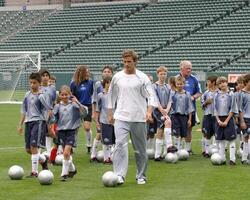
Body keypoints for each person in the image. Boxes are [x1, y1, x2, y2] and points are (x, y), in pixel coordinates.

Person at [107, 49, 157, 185]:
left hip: (139, 118)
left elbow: (151, 96)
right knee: (119, 146)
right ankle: (119, 175)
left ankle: (141, 176)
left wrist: (149, 111)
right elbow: (111, 96)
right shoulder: (117, 77)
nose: (126, 64)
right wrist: (110, 113)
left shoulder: (142, 78)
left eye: (129, 62)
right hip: (121, 117)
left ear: (135, 62)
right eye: (124, 62)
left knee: (140, 149)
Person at [49, 85, 88, 181]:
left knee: (66, 152)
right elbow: (53, 118)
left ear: (70, 94)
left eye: (66, 94)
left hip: (71, 131)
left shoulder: (74, 105)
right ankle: (72, 169)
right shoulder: (58, 106)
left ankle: (64, 174)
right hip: (61, 131)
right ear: (60, 96)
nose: (64, 96)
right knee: (66, 154)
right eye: (62, 95)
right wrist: (50, 117)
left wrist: (78, 102)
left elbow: (84, 113)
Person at [17, 72, 51, 177]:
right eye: (31, 83)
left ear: (39, 84)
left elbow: (48, 108)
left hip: (38, 122)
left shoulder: (42, 96)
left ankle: (34, 172)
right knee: (28, 150)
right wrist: (20, 124)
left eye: (34, 83)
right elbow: (24, 110)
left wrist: (48, 123)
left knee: (33, 146)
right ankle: (43, 160)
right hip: (28, 122)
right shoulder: (27, 95)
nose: (32, 85)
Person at [178, 60, 202, 154]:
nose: (189, 70)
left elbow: (199, 92)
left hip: (190, 109)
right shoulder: (175, 78)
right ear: (181, 68)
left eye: (190, 68)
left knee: (189, 128)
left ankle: (188, 149)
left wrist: (193, 97)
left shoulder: (194, 79)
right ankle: (178, 148)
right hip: (178, 109)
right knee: (178, 129)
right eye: (187, 68)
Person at [91, 65, 113, 162]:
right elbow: (94, 100)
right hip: (101, 113)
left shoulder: (114, 84)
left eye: (108, 71)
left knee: (109, 135)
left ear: (111, 73)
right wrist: (94, 114)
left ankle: (109, 155)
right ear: (102, 73)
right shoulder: (98, 84)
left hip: (112, 115)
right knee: (100, 133)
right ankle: (93, 154)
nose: (107, 73)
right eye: (105, 71)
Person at [153, 66, 175, 161]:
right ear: (157, 75)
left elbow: (170, 100)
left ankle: (158, 155)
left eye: (164, 74)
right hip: (158, 111)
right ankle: (168, 147)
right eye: (161, 74)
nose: (163, 76)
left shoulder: (168, 87)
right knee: (164, 126)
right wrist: (162, 110)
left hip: (167, 110)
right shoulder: (154, 86)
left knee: (161, 129)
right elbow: (155, 99)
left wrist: (167, 110)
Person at [214, 76, 238, 165]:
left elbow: (233, 109)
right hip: (219, 119)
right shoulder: (216, 95)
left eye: (223, 82)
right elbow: (215, 110)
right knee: (221, 140)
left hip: (228, 119)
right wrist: (219, 121)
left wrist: (227, 121)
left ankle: (232, 159)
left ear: (226, 83)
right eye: (220, 83)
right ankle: (222, 159)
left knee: (231, 140)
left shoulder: (231, 94)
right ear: (218, 85)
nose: (222, 84)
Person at [70, 65, 94, 154]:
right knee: (75, 128)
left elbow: (91, 93)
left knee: (87, 127)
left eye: (88, 72)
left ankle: (89, 145)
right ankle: (72, 146)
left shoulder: (91, 82)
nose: (88, 74)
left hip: (88, 106)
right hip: (77, 107)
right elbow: (71, 95)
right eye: (86, 72)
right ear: (81, 73)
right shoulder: (74, 83)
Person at [171, 76, 194, 151]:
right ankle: (177, 149)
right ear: (175, 84)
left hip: (184, 116)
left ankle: (186, 149)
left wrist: (190, 119)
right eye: (178, 84)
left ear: (184, 84)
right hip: (175, 116)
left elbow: (190, 108)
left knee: (183, 134)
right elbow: (169, 105)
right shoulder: (173, 93)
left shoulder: (187, 94)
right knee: (176, 134)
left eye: (181, 84)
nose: (179, 85)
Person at [96, 78, 115, 164]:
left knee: (115, 141)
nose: (109, 85)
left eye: (111, 83)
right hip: (104, 120)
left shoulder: (116, 95)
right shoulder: (100, 95)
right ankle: (106, 158)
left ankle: (113, 157)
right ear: (105, 84)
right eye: (108, 83)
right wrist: (97, 121)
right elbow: (98, 109)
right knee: (106, 140)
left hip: (115, 121)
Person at [39, 69, 57, 157]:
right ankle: (38, 152)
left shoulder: (52, 88)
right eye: (43, 75)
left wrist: (53, 111)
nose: (45, 77)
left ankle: (49, 151)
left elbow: (53, 101)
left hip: (50, 114)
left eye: (47, 75)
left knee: (50, 133)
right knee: (40, 133)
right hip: (39, 115)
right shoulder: (38, 88)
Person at [201, 75, 218, 157]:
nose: (207, 83)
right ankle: (207, 152)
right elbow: (201, 106)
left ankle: (217, 150)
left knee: (217, 134)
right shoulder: (206, 93)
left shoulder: (219, 93)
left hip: (217, 116)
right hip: (208, 116)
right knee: (207, 134)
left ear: (213, 82)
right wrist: (206, 102)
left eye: (208, 81)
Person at [239, 73, 250, 164]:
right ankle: (244, 158)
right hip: (246, 119)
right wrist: (242, 121)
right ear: (246, 82)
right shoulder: (241, 94)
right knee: (246, 137)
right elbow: (240, 109)